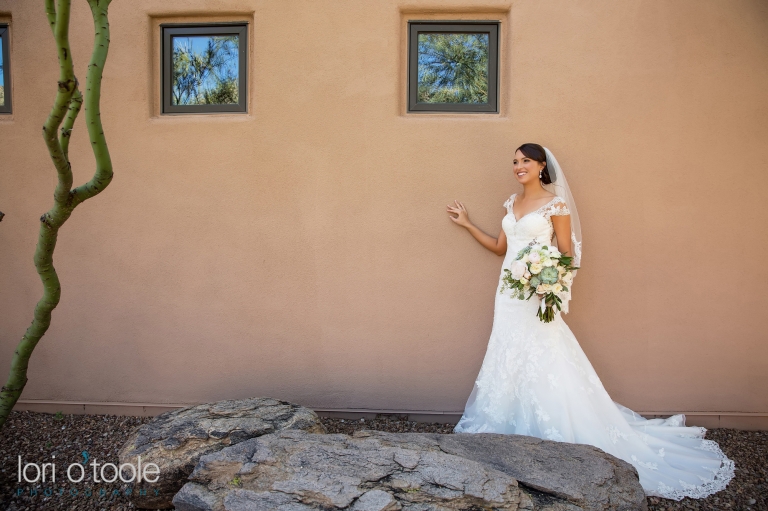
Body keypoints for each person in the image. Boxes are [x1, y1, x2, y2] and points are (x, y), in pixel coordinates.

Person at [446, 143, 734, 500]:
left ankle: (554, 430)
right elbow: (501, 248)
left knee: (545, 354)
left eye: (526, 161)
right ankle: (506, 426)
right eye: (515, 161)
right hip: (507, 295)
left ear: (541, 167)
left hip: (537, 295)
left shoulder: (556, 205)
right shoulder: (511, 203)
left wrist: (547, 283)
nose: (519, 166)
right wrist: (468, 224)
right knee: (508, 353)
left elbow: (568, 255)